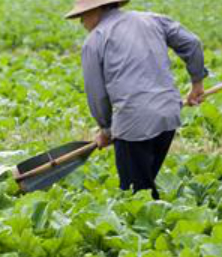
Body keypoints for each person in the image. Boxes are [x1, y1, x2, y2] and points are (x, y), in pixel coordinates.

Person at [66, 0, 208, 199]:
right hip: (168, 115)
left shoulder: (95, 40)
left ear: (96, 10)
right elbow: (192, 43)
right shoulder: (152, 19)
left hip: (135, 125)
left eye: (82, 16)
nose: (81, 22)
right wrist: (197, 84)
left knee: (136, 196)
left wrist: (106, 130)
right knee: (144, 185)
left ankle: (159, 226)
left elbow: (97, 94)